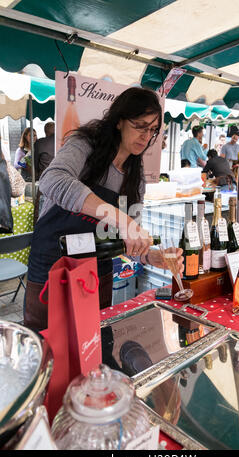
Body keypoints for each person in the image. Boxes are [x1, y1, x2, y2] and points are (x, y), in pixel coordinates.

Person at [24, 87, 184, 331]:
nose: (146, 136)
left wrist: (150, 256)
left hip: (96, 274)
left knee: (93, 346)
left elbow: (126, 240)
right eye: (140, 125)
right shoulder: (86, 145)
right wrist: (119, 217)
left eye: (152, 130)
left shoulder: (135, 177)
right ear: (119, 121)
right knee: (49, 348)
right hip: (52, 266)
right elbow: (51, 180)